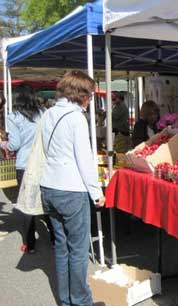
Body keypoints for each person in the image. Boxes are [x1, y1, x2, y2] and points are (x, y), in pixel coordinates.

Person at [40, 70, 105, 306]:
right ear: (81, 94)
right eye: (89, 94)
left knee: (61, 247)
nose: (90, 99)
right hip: (70, 188)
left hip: (49, 185)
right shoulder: (76, 118)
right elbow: (84, 160)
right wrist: (97, 193)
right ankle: (80, 301)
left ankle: (67, 300)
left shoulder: (48, 114)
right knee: (78, 250)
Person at [1, 92, 55, 253]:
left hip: (24, 164)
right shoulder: (43, 113)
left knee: (26, 204)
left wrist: (3, 143)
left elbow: (14, 144)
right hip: (43, 162)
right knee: (45, 202)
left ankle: (30, 244)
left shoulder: (14, 117)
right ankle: (54, 239)